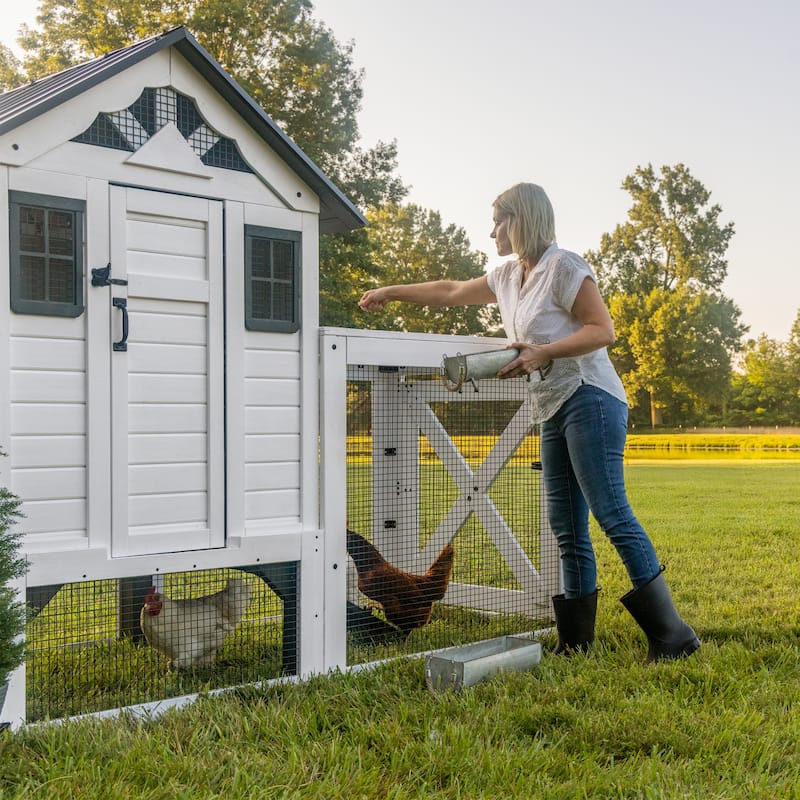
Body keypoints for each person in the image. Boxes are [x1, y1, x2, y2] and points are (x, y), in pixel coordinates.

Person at [358, 182, 700, 663]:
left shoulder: (564, 266)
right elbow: (451, 290)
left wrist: (542, 352)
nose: (492, 229)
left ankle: (673, 635)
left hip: (590, 397)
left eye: (499, 219)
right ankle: (576, 642)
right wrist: (391, 292)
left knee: (611, 513)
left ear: (523, 220)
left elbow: (603, 330)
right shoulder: (507, 276)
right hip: (552, 404)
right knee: (566, 524)